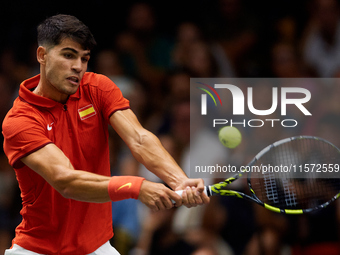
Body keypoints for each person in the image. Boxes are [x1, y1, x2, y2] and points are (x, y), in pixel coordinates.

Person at [1, 14, 209, 255]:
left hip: (97, 247)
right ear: (42, 56)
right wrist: (136, 186)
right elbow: (65, 180)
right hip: (38, 250)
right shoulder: (20, 120)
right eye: (68, 55)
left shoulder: (98, 88)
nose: (78, 66)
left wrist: (179, 180)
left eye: (84, 58)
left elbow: (139, 139)